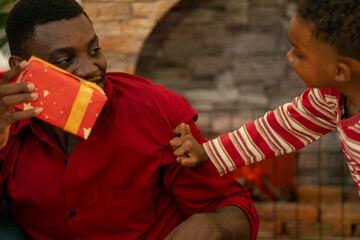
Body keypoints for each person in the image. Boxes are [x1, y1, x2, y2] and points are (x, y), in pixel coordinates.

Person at [0, 0, 259, 239]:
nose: (91, 68)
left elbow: (231, 206)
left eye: (94, 50)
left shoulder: (157, 110)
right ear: (21, 68)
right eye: (66, 60)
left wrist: (212, 226)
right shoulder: (7, 123)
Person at [170, 0, 360, 197]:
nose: (289, 56)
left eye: (300, 55)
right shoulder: (330, 97)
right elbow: (276, 129)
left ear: (339, 71)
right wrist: (207, 152)